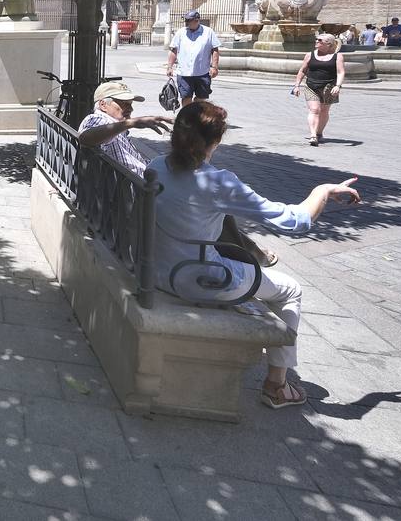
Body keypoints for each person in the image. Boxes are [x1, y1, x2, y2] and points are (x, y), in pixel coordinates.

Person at [149, 102, 361, 409]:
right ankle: (277, 385)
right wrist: (323, 191)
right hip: (198, 277)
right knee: (291, 290)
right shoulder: (218, 182)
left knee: (245, 267)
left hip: (157, 269)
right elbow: (295, 220)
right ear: (216, 141)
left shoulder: (155, 166)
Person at [79, 80, 275, 267]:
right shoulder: (97, 118)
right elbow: (86, 138)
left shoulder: (112, 127)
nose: (130, 109)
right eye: (123, 104)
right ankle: (249, 256)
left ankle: (247, 252)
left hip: (144, 188)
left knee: (214, 207)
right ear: (103, 105)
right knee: (209, 203)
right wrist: (131, 123)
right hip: (137, 194)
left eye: (130, 104)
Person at [290, 33, 346, 145]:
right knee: (314, 110)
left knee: (324, 111)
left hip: (329, 87)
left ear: (328, 44)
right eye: (316, 39)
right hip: (311, 86)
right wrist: (297, 85)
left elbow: (341, 72)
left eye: (319, 40)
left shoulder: (338, 56)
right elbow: (302, 71)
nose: (316, 41)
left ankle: (319, 132)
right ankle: (313, 135)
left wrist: (338, 86)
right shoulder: (310, 55)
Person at [166, 9, 221, 105]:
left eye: (188, 20)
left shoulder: (208, 32)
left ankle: (195, 112)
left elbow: (215, 50)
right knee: (186, 97)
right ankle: (186, 118)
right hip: (184, 73)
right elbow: (174, 50)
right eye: (186, 20)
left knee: (201, 98)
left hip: (202, 73)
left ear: (197, 20)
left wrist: (214, 67)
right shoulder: (181, 32)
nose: (186, 23)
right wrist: (170, 67)